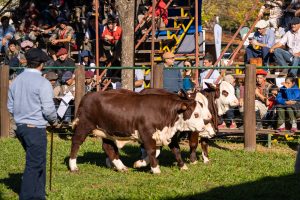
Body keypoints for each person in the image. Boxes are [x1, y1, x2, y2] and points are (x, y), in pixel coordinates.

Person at [7, 48, 57, 200]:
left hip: (20, 127)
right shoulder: (43, 83)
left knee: (38, 161)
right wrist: (54, 121)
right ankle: (27, 196)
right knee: (34, 165)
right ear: (41, 64)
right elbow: (48, 110)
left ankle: (39, 194)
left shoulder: (16, 80)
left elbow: (10, 106)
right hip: (35, 128)